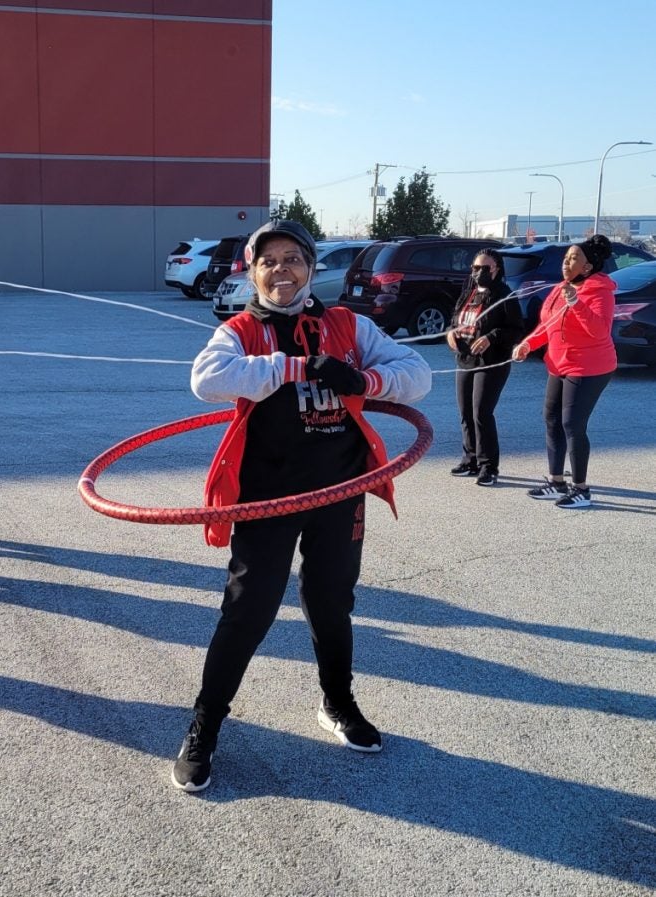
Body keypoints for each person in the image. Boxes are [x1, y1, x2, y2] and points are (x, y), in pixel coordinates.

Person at [172, 220, 432, 792]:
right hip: (267, 501)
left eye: (294, 259)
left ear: (311, 268)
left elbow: (418, 375)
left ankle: (338, 704)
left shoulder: (348, 324)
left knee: (333, 605)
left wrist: (362, 377)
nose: (282, 269)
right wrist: (294, 367)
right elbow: (206, 380)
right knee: (247, 613)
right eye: (269, 260)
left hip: (339, 496)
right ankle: (205, 725)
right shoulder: (240, 329)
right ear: (252, 269)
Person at [512, 234, 616, 509]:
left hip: (589, 366)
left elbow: (599, 330)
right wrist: (527, 344)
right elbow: (547, 325)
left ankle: (581, 489)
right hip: (559, 363)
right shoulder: (561, 288)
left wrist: (576, 303)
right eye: (566, 257)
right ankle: (556, 481)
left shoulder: (599, 291)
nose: (566, 262)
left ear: (588, 266)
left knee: (572, 423)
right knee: (551, 418)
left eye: (574, 258)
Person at [444, 248, 524, 486]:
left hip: (492, 362)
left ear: (496, 269)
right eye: (475, 268)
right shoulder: (468, 292)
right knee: (465, 413)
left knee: (481, 413)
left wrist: (491, 336)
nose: (479, 273)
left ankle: (489, 465)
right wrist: (451, 333)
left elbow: (516, 329)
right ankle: (470, 460)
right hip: (466, 359)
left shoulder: (504, 295)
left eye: (485, 268)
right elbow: (456, 319)